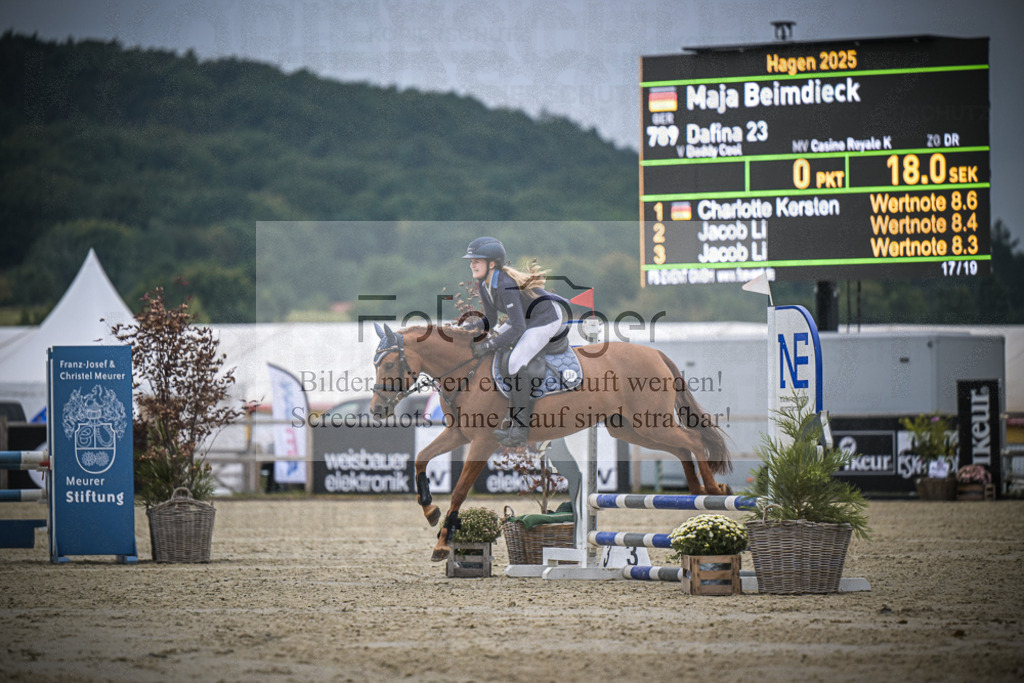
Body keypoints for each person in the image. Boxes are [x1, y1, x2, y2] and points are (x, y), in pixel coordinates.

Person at [461, 236, 569, 447]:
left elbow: (518, 328)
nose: (472, 264)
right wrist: (465, 332)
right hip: (525, 319)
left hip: (546, 318)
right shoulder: (484, 285)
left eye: (477, 260)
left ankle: (519, 429)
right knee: (498, 347)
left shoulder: (505, 283)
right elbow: (490, 321)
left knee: (515, 361)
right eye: (471, 260)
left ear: (492, 263)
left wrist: (491, 344)